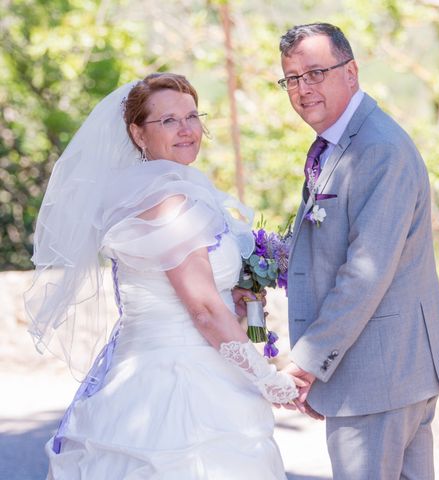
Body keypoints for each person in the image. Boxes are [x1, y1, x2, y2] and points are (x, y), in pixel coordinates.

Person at [24, 73, 299, 479]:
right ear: (138, 133)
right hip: (174, 382)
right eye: (168, 121)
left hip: (197, 364)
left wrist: (240, 298)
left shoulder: (163, 189)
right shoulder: (166, 201)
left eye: (192, 116)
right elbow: (203, 309)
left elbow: (210, 297)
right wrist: (267, 378)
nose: (187, 130)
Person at [277, 23, 439, 479]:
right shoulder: (341, 142)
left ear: (352, 72)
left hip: (379, 375)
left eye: (316, 73)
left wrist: (306, 362)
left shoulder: (378, 149)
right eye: (292, 79)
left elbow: (367, 271)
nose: (303, 89)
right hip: (386, 373)